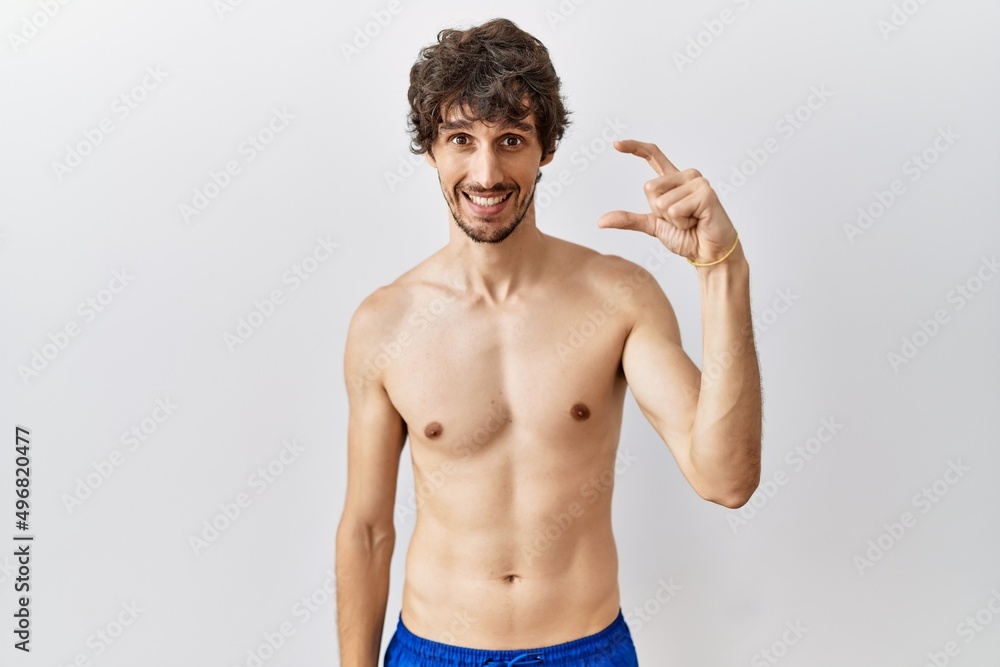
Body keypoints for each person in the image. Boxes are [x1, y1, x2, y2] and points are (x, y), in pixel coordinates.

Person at [336, 17, 762, 667]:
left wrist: (722, 269)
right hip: (434, 650)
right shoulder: (385, 322)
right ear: (431, 149)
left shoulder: (618, 297)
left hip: (585, 649)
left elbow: (726, 478)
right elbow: (367, 530)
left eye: (511, 139)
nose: (486, 172)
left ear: (547, 148)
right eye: (460, 139)